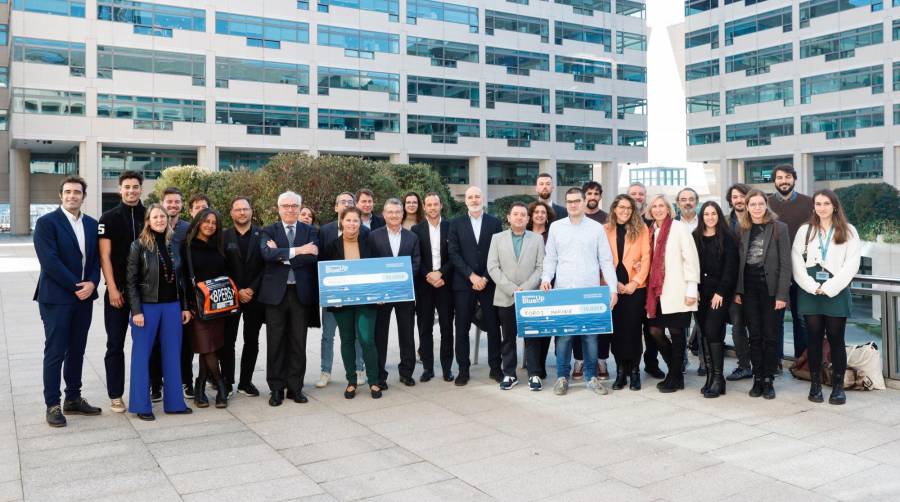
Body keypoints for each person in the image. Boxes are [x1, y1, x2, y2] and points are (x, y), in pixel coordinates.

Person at [34, 176, 103, 427]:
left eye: (77, 192)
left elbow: (96, 261)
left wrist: (93, 283)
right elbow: (49, 261)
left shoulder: (92, 225)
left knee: (77, 350)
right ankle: (52, 404)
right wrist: (77, 287)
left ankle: (73, 398)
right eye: (68, 192)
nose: (72, 196)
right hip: (56, 298)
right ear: (60, 195)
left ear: (84, 196)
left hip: (84, 298)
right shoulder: (46, 223)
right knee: (55, 351)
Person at [541, 187, 618, 396]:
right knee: (564, 338)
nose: (573, 204)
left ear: (584, 202)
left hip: (590, 293)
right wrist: (546, 278)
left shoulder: (596, 229)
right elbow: (551, 258)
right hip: (564, 291)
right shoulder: (556, 227)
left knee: (590, 337)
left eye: (576, 201)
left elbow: (606, 261)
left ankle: (591, 377)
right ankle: (562, 378)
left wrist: (613, 288)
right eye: (569, 201)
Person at [792, 189, 860, 405]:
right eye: (818, 204)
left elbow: (852, 264)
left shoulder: (848, 231)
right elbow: (796, 261)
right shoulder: (805, 230)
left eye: (826, 203)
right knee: (813, 339)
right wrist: (812, 286)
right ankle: (815, 385)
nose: (822, 208)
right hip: (810, 289)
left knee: (836, 339)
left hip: (836, 290)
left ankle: (838, 387)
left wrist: (830, 287)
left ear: (835, 206)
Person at [126, 204, 193, 420]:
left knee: (173, 355)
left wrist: (184, 307)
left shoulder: (173, 245)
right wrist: (136, 310)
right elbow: (131, 281)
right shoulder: (138, 246)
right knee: (141, 356)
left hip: (172, 306)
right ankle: (141, 405)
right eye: (155, 217)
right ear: (148, 221)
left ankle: (174, 403)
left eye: (162, 217)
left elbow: (181, 280)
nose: (159, 220)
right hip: (147, 307)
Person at [259, 191, 319, 406]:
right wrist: (299, 250)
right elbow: (266, 255)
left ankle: (295, 388)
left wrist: (282, 255)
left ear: (300, 207)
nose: (290, 209)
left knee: (298, 342)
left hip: (300, 294)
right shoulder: (269, 230)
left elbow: (313, 257)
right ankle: (276, 389)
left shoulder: (310, 230)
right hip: (276, 296)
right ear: (279, 208)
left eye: (294, 206)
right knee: (275, 343)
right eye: (286, 206)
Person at [321, 207, 382, 399]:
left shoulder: (370, 244)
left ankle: (373, 381)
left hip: (366, 301)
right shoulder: (331, 246)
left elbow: (376, 272)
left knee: (367, 340)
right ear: (341, 221)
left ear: (360, 223)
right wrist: (332, 297)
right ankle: (351, 381)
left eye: (356, 221)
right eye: (348, 220)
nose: (352, 224)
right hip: (342, 303)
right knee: (346, 340)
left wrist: (379, 294)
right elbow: (325, 275)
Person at [735, 190, 791, 400]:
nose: (757, 208)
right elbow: (737, 263)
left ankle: (768, 379)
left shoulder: (779, 228)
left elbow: (786, 264)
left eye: (760, 204)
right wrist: (738, 291)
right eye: (753, 204)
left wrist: (782, 295)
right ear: (747, 207)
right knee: (755, 336)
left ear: (766, 205)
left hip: (771, 291)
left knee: (770, 336)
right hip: (748, 290)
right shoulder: (741, 228)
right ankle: (757, 378)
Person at [99, 170, 146, 413]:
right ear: (120, 189)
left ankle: (150, 388)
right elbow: (104, 256)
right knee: (115, 344)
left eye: (135, 187)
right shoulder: (108, 218)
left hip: (146, 293)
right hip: (117, 292)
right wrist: (113, 288)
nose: (131, 191)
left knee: (147, 344)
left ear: (141, 189)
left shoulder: (149, 215)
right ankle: (115, 394)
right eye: (127, 187)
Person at [644, 195, 700, 393]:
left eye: (662, 206)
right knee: (655, 331)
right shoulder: (650, 230)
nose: (658, 209)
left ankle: (675, 377)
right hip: (656, 292)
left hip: (678, 289)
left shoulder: (679, 228)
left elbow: (690, 259)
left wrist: (692, 289)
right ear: (650, 211)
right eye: (654, 207)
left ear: (668, 209)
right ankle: (675, 372)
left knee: (677, 334)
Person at [448, 186, 503, 386]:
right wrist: (471, 276)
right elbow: (453, 253)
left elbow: (498, 253)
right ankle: (463, 370)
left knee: (494, 328)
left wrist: (485, 278)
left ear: (483, 199)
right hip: (463, 284)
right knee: (461, 328)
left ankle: (495, 368)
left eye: (477, 196)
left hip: (489, 284)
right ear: (466, 201)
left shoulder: (495, 223)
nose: (474, 199)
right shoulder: (455, 223)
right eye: (470, 197)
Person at [487, 202, 545, 390]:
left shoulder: (537, 239)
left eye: (523, 215)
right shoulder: (497, 238)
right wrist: (512, 289)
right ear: (509, 217)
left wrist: (525, 289)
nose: (519, 217)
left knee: (532, 336)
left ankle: (534, 374)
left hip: (530, 297)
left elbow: (540, 267)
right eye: (516, 214)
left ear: (528, 219)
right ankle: (509, 374)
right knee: (508, 337)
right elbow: (492, 267)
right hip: (506, 296)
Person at [316, 192, 368, 388]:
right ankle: (325, 370)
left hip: (357, 293)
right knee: (328, 334)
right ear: (336, 207)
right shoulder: (325, 231)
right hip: (333, 293)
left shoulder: (364, 232)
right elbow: (321, 262)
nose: (346, 204)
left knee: (356, 334)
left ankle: (358, 368)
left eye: (350, 202)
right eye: (342, 202)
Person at [182, 208, 231, 409]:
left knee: (208, 347)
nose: (210, 225)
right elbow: (183, 278)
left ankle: (200, 385)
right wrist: (185, 305)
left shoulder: (219, 246)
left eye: (214, 222)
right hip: (197, 306)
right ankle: (220, 385)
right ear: (198, 222)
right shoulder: (187, 247)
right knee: (207, 346)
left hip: (218, 305)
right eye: (206, 221)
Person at [369, 198, 421, 388]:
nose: (394, 215)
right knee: (379, 335)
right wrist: (380, 289)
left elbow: (416, 262)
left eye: (397, 212)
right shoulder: (373, 236)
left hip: (404, 293)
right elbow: (371, 264)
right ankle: (380, 375)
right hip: (381, 296)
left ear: (402, 214)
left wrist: (402, 281)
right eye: (390, 212)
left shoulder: (412, 237)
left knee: (407, 333)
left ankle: (406, 372)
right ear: (384, 214)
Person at [767, 165, 814, 366]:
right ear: (774, 181)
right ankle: (774, 363)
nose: (784, 181)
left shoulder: (809, 203)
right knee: (774, 320)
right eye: (779, 178)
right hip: (774, 272)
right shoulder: (766, 203)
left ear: (794, 179)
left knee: (801, 319)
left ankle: (801, 364)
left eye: (787, 177)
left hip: (801, 270)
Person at [692, 202, 738, 398]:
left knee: (713, 331)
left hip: (719, 294)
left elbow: (730, 269)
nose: (710, 217)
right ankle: (710, 377)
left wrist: (720, 292)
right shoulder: (695, 237)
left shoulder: (727, 238)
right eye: (706, 214)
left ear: (718, 216)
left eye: (713, 214)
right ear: (702, 217)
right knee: (703, 333)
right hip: (700, 294)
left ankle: (719, 379)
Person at [604, 195, 650, 392]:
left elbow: (647, 257)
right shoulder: (604, 230)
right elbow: (600, 259)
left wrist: (635, 282)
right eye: (621, 207)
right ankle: (621, 371)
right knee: (616, 333)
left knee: (632, 332)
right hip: (612, 288)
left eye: (629, 208)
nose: (625, 211)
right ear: (614, 208)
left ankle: (635, 372)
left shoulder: (642, 229)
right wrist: (613, 284)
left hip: (634, 289)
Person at [222, 196, 265, 397]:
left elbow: (266, 265)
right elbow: (220, 267)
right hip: (230, 295)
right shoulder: (223, 237)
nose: (242, 213)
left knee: (252, 340)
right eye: (237, 209)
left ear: (251, 211)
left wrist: (251, 289)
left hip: (254, 297)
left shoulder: (262, 234)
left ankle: (245, 382)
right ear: (231, 213)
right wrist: (237, 289)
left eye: (245, 209)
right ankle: (227, 382)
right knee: (227, 341)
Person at [412, 192, 455, 382]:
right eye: (428, 205)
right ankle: (428, 368)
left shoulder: (451, 227)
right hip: (425, 285)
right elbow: (416, 257)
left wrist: (441, 273)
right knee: (424, 328)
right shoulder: (416, 229)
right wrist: (428, 275)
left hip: (445, 284)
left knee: (447, 327)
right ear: (424, 207)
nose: (432, 208)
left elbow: (455, 255)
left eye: (435, 204)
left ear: (441, 206)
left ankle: (447, 368)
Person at [628, 182, 664, 378]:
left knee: (652, 328)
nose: (637, 197)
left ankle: (652, 363)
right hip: (632, 284)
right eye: (633, 193)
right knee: (632, 329)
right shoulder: (621, 219)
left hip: (653, 285)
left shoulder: (653, 221)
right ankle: (631, 366)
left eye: (641, 194)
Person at [160, 186, 191, 399]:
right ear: (162, 203)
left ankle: (186, 381)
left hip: (183, 293)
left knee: (185, 341)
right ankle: (156, 382)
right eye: (169, 201)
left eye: (177, 202)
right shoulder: (154, 225)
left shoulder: (188, 229)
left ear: (181, 205)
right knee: (157, 342)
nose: (173, 205)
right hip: (158, 293)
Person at [724, 183, 754, 382]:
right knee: (737, 326)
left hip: (755, 281)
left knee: (759, 326)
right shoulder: (725, 221)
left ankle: (768, 364)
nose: (738, 200)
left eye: (742, 196)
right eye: (734, 197)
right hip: (733, 283)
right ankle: (744, 365)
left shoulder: (759, 219)